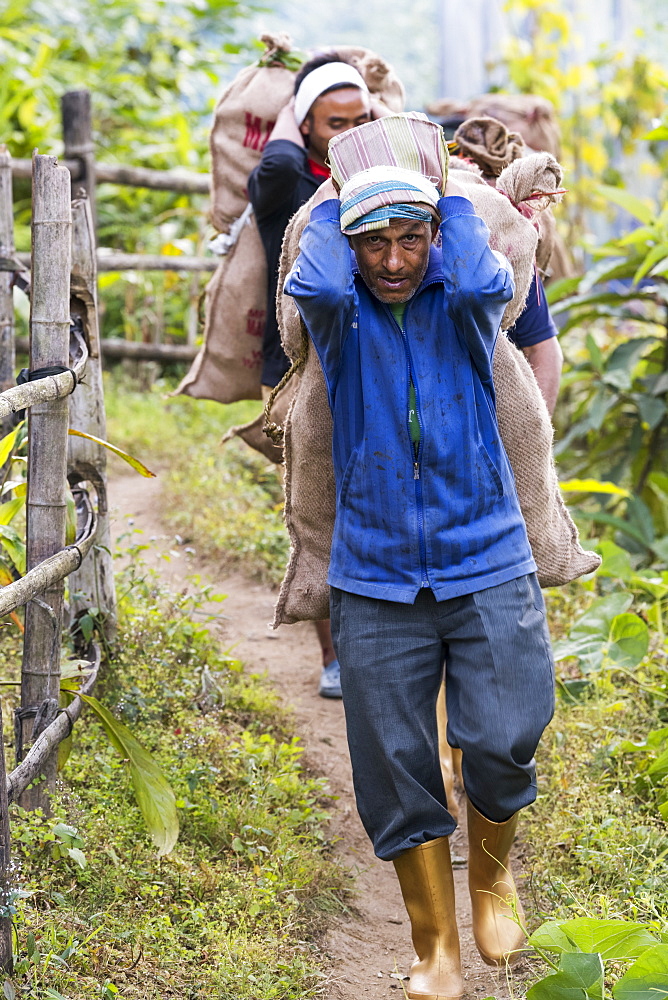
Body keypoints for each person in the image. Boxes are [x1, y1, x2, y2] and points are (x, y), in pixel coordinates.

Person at [284, 114, 555, 999]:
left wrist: (441, 191)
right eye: (375, 244)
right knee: (395, 766)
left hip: (487, 556)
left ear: (435, 234)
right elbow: (311, 276)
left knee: (507, 734)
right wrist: (339, 194)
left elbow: (485, 270)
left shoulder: (466, 304)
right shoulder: (342, 317)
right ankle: (435, 944)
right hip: (374, 574)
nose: (394, 261)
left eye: (411, 240)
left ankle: (492, 876)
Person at [249, 53, 381, 699]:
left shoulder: (377, 180)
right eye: (334, 122)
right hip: (304, 369)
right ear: (303, 126)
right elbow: (275, 156)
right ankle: (336, 656)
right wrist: (294, 96)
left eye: (361, 120)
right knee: (322, 506)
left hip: (372, 361)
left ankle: (379, 637)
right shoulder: (287, 178)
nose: (349, 134)